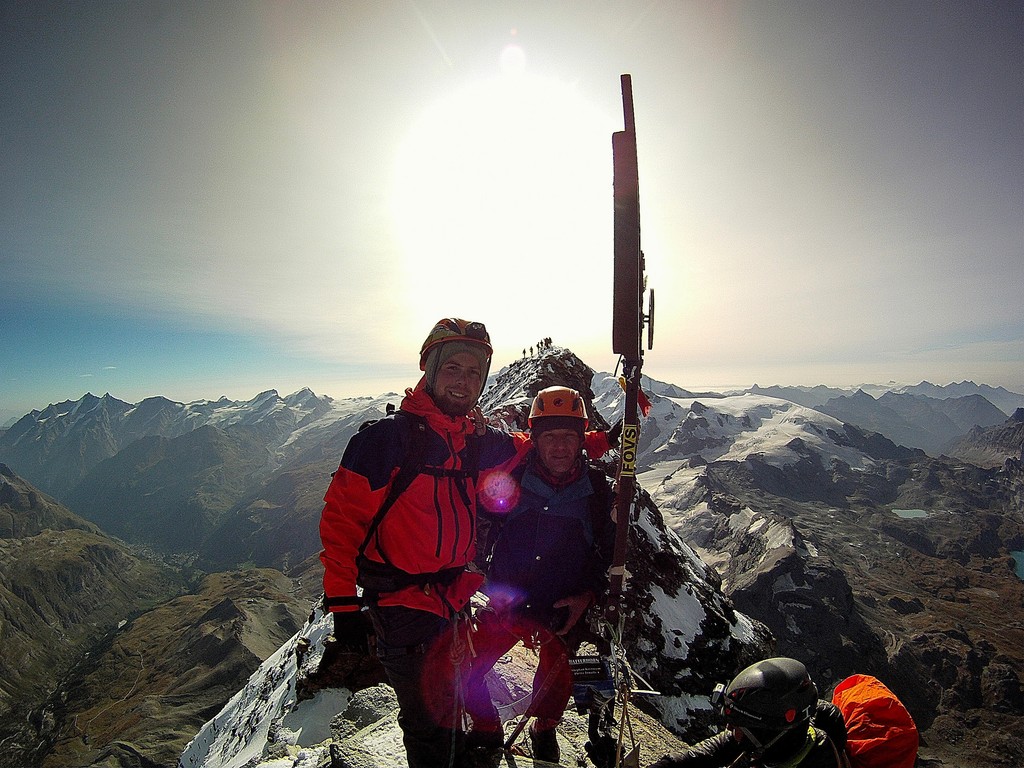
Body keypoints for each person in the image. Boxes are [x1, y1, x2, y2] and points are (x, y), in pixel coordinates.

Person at [319, 319, 612, 768]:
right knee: (430, 723)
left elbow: (539, 445)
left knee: (450, 710)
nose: (464, 380)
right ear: (429, 370)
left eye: (475, 372)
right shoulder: (384, 442)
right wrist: (342, 608)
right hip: (401, 605)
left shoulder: (477, 443)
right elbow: (341, 526)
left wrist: (598, 441)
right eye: (453, 367)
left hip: (452, 601)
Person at [464, 386, 616, 765]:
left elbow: (611, 556)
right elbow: (476, 529)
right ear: (534, 440)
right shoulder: (510, 477)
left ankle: (543, 727)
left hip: (559, 607)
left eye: (569, 437)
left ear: (582, 440)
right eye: (550, 437)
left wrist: (588, 597)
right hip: (506, 602)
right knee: (463, 666)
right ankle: (485, 726)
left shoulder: (598, 492)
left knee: (559, 674)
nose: (560, 447)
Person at [648, 657, 848, 768]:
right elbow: (704, 754)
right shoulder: (776, 743)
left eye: (740, 726)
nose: (730, 731)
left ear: (771, 730)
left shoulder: (819, 763)